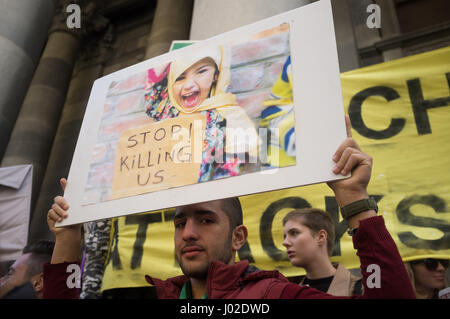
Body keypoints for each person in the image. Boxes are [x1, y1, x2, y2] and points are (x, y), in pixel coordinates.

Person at [43, 116, 415, 299]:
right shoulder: (153, 295)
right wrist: (68, 237)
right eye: (179, 223)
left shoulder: (273, 294)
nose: (188, 233)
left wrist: (355, 203)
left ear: (239, 235)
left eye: (205, 220)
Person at [145, 45, 260, 182]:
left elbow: (232, 165)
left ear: (216, 75)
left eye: (201, 72)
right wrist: (168, 59)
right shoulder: (170, 110)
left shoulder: (229, 116)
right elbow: (152, 94)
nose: (188, 85)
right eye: (180, 77)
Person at [282, 208, 362, 296]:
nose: (285, 242)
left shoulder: (361, 291)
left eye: (294, 233)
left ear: (321, 237)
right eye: (285, 236)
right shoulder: (291, 295)